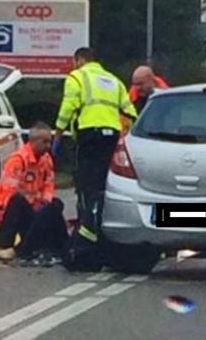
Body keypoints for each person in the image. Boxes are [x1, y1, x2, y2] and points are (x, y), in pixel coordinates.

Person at [54, 47, 136, 270]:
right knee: (104, 187)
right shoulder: (113, 80)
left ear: (78, 60)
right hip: (110, 138)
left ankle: (86, 235)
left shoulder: (77, 77)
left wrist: (59, 132)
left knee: (86, 188)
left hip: (88, 137)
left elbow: (68, 106)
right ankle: (103, 232)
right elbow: (130, 112)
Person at [0, 123, 67, 264]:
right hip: (11, 212)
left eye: (50, 141)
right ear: (33, 141)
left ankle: (51, 246)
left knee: (55, 205)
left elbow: (49, 185)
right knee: (18, 200)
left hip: (35, 209)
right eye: (45, 141)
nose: (49, 145)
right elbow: (8, 194)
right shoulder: (18, 161)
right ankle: (3, 245)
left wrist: (44, 203)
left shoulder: (46, 160)